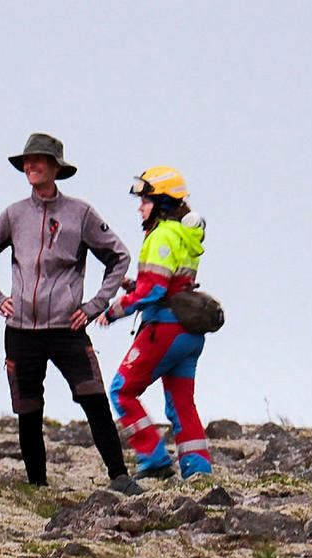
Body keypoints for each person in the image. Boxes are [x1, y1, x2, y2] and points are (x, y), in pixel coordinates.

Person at [0, 133, 142, 495]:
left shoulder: (79, 213)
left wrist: (96, 305)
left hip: (67, 328)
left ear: (55, 168)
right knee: (28, 409)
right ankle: (37, 486)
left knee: (93, 398)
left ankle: (119, 476)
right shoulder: (13, 214)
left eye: (38, 160)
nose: (30, 166)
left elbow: (119, 257)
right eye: (26, 162)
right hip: (20, 330)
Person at [100, 165, 214, 479]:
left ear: (162, 203)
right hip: (189, 333)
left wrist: (114, 311)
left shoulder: (161, 235)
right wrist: (135, 286)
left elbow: (155, 290)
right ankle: (198, 469)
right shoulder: (184, 235)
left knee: (121, 391)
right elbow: (170, 282)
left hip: (163, 329)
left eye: (145, 200)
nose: (140, 207)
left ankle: (153, 459)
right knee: (181, 402)